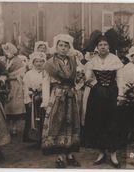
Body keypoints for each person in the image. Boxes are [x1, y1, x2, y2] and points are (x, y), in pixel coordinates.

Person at [83, 35, 124, 168]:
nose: (103, 47)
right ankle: (101, 152)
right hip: (96, 95)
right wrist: (92, 83)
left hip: (112, 93)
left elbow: (120, 79)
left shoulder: (115, 59)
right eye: (100, 45)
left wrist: (121, 95)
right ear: (97, 47)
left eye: (105, 44)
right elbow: (87, 79)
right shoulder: (92, 61)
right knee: (98, 122)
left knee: (113, 123)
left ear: (109, 46)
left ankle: (113, 154)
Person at [41, 34, 81, 168]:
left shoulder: (73, 61)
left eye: (66, 46)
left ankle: (69, 154)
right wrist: (46, 101)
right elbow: (45, 82)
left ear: (69, 47)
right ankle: (59, 156)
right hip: (57, 96)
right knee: (58, 123)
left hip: (70, 95)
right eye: (61, 45)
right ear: (56, 46)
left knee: (71, 123)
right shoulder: (50, 63)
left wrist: (77, 87)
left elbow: (79, 78)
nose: (63, 48)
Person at [0, 42, 26, 136]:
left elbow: (22, 74)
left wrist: (10, 77)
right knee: (6, 106)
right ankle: (7, 127)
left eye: (8, 51)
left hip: (15, 85)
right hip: (5, 85)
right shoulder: (3, 61)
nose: (6, 53)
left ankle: (14, 127)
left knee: (14, 107)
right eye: (5, 51)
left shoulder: (18, 61)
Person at [22, 52, 46, 143]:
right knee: (33, 117)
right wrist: (28, 99)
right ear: (33, 62)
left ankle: (43, 137)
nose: (39, 63)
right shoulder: (28, 74)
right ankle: (33, 137)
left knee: (43, 117)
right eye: (37, 61)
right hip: (33, 98)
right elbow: (25, 87)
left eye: (41, 61)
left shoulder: (46, 73)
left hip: (43, 98)